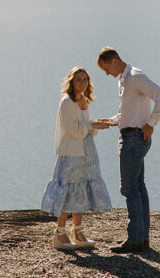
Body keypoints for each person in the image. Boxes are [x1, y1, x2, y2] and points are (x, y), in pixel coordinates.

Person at [96, 46, 160, 255]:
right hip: (132, 136)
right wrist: (111, 121)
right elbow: (128, 113)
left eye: (105, 69)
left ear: (112, 61)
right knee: (138, 187)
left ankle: (135, 239)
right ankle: (142, 239)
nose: (106, 74)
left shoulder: (135, 77)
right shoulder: (125, 80)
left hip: (134, 139)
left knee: (128, 189)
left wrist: (151, 123)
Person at [41, 66, 112, 251]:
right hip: (72, 153)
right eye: (79, 79)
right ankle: (60, 233)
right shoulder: (66, 102)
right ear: (71, 82)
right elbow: (74, 130)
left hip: (86, 151)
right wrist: (92, 125)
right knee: (69, 190)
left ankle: (78, 232)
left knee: (81, 189)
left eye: (85, 79)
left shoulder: (83, 100)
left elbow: (84, 127)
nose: (82, 83)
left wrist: (94, 125)